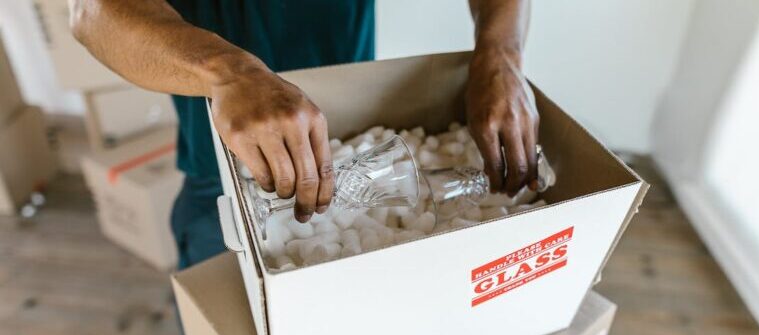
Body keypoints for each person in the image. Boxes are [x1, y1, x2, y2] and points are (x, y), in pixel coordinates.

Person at [70, 0, 539, 269]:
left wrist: (501, 52)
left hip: (349, 131)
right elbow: (91, 12)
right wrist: (231, 74)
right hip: (222, 172)